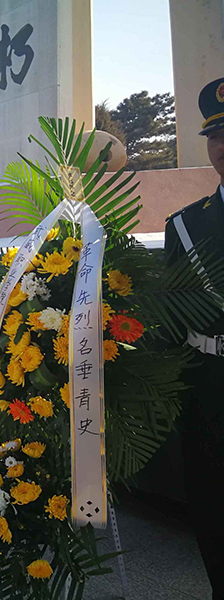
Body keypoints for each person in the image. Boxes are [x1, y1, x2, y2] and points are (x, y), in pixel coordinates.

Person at [164, 77, 224, 600]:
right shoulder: (184, 226)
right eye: (217, 136)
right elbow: (170, 317)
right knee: (212, 506)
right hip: (208, 386)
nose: (223, 147)